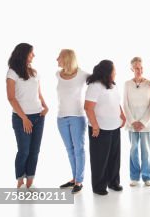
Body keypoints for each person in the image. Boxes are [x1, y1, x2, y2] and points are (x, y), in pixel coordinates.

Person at [7, 43, 48, 189]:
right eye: (31, 53)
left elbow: (38, 93)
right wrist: (24, 118)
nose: (34, 55)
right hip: (21, 118)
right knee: (24, 150)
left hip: (38, 116)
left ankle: (31, 177)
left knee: (35, 150)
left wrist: (45, 106)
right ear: (23, 54)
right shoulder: (12, 72)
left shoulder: (34, 72)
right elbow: (11, 98)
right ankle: (20, 178)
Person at [85, 60, 126, 195]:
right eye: (114, 70)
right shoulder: (95, 86)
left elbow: (117, 102)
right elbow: (88, 108)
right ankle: (99, 186)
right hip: (100, 129)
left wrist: (122, 115)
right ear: (107, 71)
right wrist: (95, 126)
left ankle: (113, 182)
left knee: (114, 157)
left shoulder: (112, 85)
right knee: (100, 159)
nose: (115, 72)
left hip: (114, 127)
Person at [55, 49, 89, 193]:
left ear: (67, 58)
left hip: (77, 117)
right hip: (61, 117)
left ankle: (79, 181)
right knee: (70, 150)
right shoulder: (58, 74)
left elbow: (98, 84)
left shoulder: (83, 75)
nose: (57, 59)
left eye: (59, 57)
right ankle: (74, 178)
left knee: (79, 149)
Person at [124, 57, 150, 187]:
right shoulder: (127, 84)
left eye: (141, 67)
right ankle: (134, 176)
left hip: (146, 124)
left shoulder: (149, 84)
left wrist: (142, 122)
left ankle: (147, 176)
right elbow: (125, 104)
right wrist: (133, 121)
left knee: (146, 150)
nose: (139, 70)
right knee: (133, 149)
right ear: (132, 68)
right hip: (132, 124)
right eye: (136, 68)